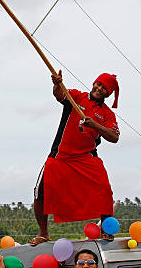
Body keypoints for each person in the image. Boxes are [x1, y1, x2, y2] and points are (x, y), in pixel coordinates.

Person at [31, 71, 120, 245]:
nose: (99, 88)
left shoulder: (108, 114)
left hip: (86, 157)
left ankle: (106, 231)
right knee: (40, 192)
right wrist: (57, 84)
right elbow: (60, 95)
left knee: (104, 190)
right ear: (94, 83)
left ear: (108, 94)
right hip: (60, 155)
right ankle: (43, 233)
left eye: (104, 88)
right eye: (98, 84)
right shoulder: (77, 97)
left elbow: (114, 137)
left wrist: (95, 124)